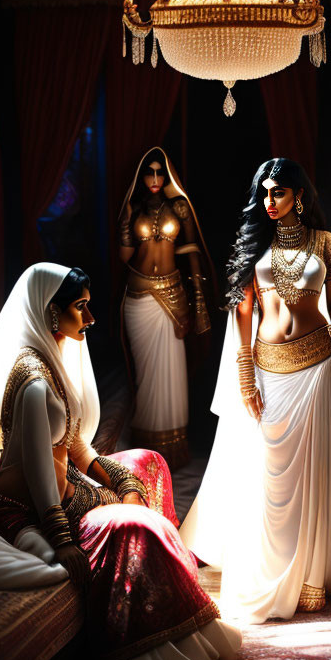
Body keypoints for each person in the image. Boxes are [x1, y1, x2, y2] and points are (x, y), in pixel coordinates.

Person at [0, 263, 240, 660]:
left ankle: (176, 616)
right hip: (20, 512)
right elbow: (43, 477)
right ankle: (140, 644)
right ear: (51, 313)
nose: (92, 319)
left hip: (64, 490)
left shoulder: (55, 358)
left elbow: (77, 448)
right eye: (81, 308)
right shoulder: (35, 383)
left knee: (148, 464)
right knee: (122, 530)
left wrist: (123, 482)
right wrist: (62, 539)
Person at [180, 159, 331, 623]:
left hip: (317, 364)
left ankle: (311, 573)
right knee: (269, 476)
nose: (269, 203)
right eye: (264, 194)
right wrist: (245, 373)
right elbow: (244, 313)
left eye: (278, 193)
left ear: (299, 196)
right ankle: (268, 565)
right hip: (268, 371)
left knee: (313, 471)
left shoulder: (326, 244)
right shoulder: (257, 245)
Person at [117, 147, 214, 468]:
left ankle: (172, 450)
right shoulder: (133, 208)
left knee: (172, 372)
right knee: (146, 374)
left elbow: (191, 250)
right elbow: (125, 258)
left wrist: (199, 300)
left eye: (160, 172)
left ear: (167, 174)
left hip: (173, 295)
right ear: (141, 177)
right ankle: (145, 448)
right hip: (138, 294)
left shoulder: (180, 207)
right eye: (150, 172)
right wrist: (126, 224)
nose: (156, 179)